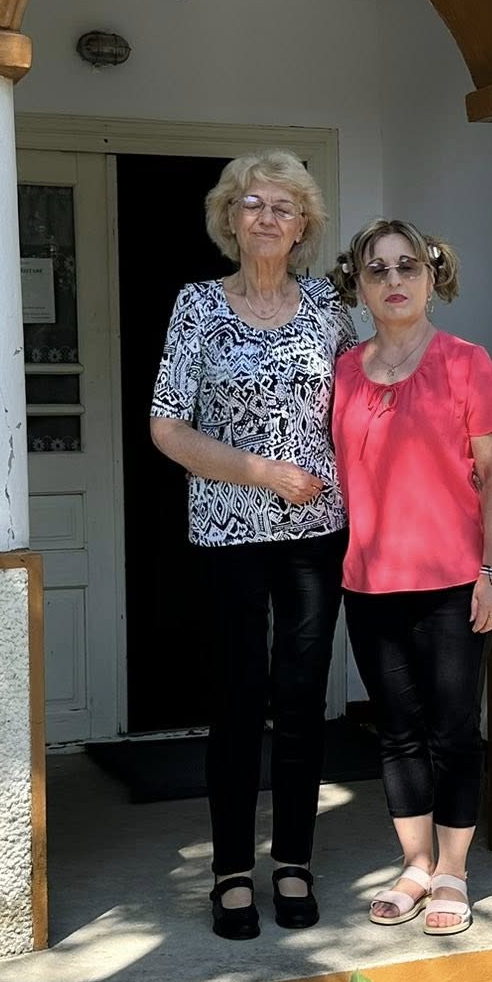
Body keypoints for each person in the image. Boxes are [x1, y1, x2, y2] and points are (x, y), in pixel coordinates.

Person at [149, 151, 353, 941]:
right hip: (228, 532)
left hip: (315, 532)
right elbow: (167, 427)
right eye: (253, 204)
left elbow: (362, 407)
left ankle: (294, 860)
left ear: (303, 227)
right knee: (235, 702)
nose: (268, 217)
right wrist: (263, 473)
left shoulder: (329, 305)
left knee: (301, 700)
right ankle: (232, 870)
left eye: (284, 207)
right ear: (229, 219)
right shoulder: (197, 304)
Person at [331, 219, 492, 936]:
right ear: (359, 285)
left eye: (406, 265)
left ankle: (452, 871)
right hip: (369, 582)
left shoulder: (466, 363)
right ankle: (414, 865)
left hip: (453, 583)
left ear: (431, 276)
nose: (393, 280)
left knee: (453, 731)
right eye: (376, 269)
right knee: (397, 732)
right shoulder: (343, 372)